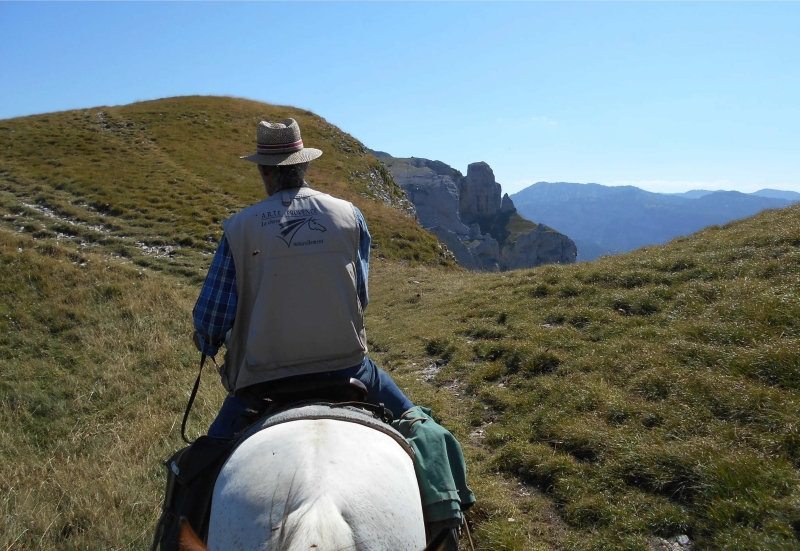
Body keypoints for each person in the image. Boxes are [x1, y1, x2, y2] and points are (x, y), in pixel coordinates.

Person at [191, 119, 472, 548]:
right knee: (425, 432)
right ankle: (450, 525)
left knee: (195, 473)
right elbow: (359, 295)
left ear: (265, 171)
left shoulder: (239, 228)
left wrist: (208, 343)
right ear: (303, 167)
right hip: (348, 368)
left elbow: (211, 320)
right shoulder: (349, 216)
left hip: (262, 381)